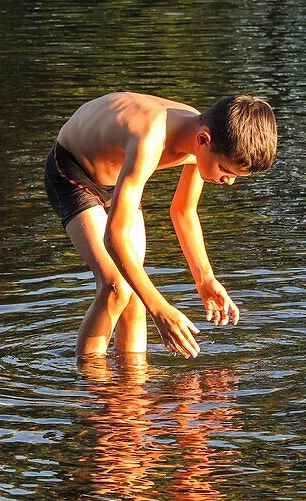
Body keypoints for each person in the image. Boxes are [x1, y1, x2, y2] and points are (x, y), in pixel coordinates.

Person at [44, 92, 277, 359]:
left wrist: (205, 279)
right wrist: (161, 310)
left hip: (119, 177)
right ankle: (92, 384)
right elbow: (114, 237)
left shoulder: (200, 136)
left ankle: (131, 389)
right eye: (226, 170)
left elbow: (183, 211)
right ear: (204, 140)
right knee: (116, 286)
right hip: (72, 169)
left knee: (136, 293)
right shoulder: (151, 138)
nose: (229, 181)